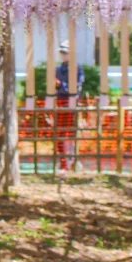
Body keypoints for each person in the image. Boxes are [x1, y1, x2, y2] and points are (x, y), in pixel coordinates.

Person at [54, 41, 83, 170]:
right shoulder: (58, 70)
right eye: (62, 52)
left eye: (65, 52)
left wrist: (61, 86)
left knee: (72, 134)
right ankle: (63, 161)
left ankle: (73, 161)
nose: (63, 55)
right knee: (60, 134)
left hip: (72, 103)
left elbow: (77, 87)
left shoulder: (77, 69)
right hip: (60, 103)